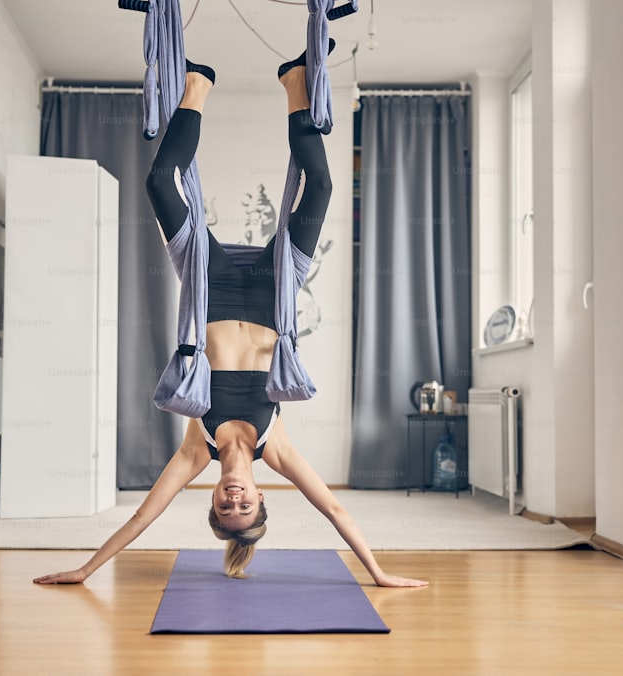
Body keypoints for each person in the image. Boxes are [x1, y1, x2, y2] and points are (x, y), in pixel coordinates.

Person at [34, 52, 427, 588]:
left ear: (214, 501)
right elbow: (336, 510)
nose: (235, 500)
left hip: (211, 285)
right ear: (263, 496)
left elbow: (143, 517)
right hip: (273, 288)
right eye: (245, 508)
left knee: (159, 183)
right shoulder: (277, 448)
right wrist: (379, 574)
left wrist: (85, 570)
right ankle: (295, 84)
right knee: (321, 189)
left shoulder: (199, 448)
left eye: (225, 510)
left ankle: (196, 84)